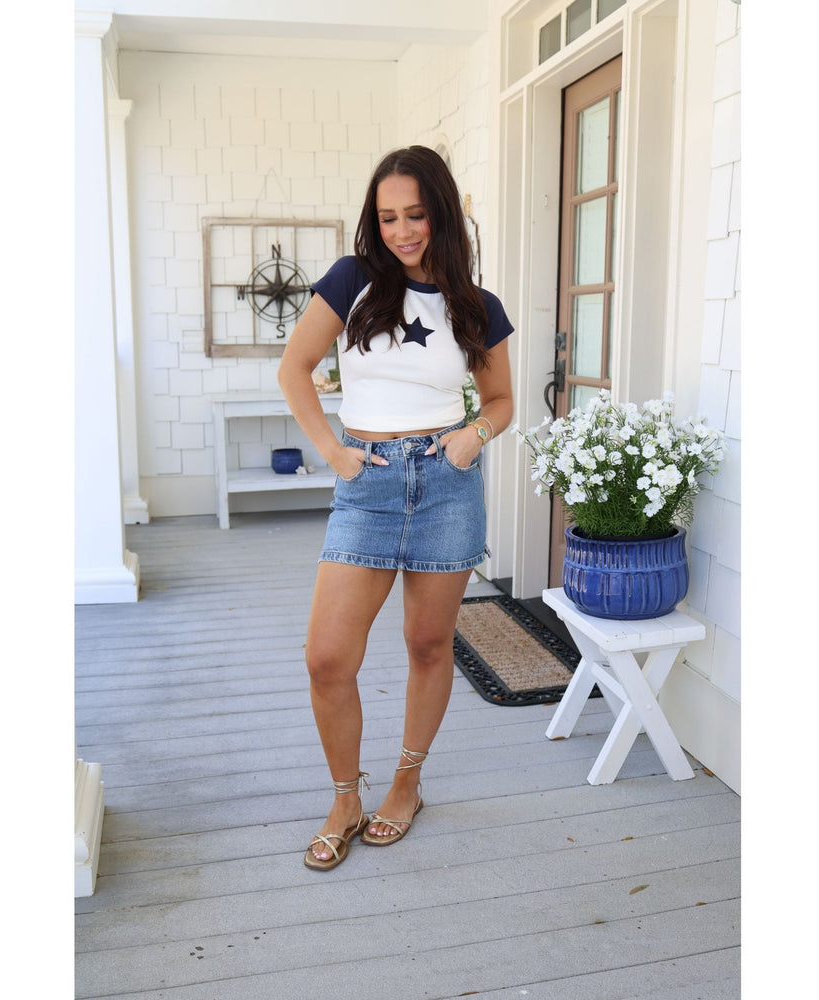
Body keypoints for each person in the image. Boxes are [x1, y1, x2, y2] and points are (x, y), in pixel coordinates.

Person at [277, 145, 514, 871]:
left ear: (440, 213)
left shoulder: (477, 305)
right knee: (327, 658)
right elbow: (295, 368)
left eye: (415, 214)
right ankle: (346, 796)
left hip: (446, 483)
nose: (402, 230)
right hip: (368, 482)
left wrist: (473, 436)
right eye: (387, 217)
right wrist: (333, 451)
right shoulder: (353, 281)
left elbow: (502, 400)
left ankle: (406, 782)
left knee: (427, 646)